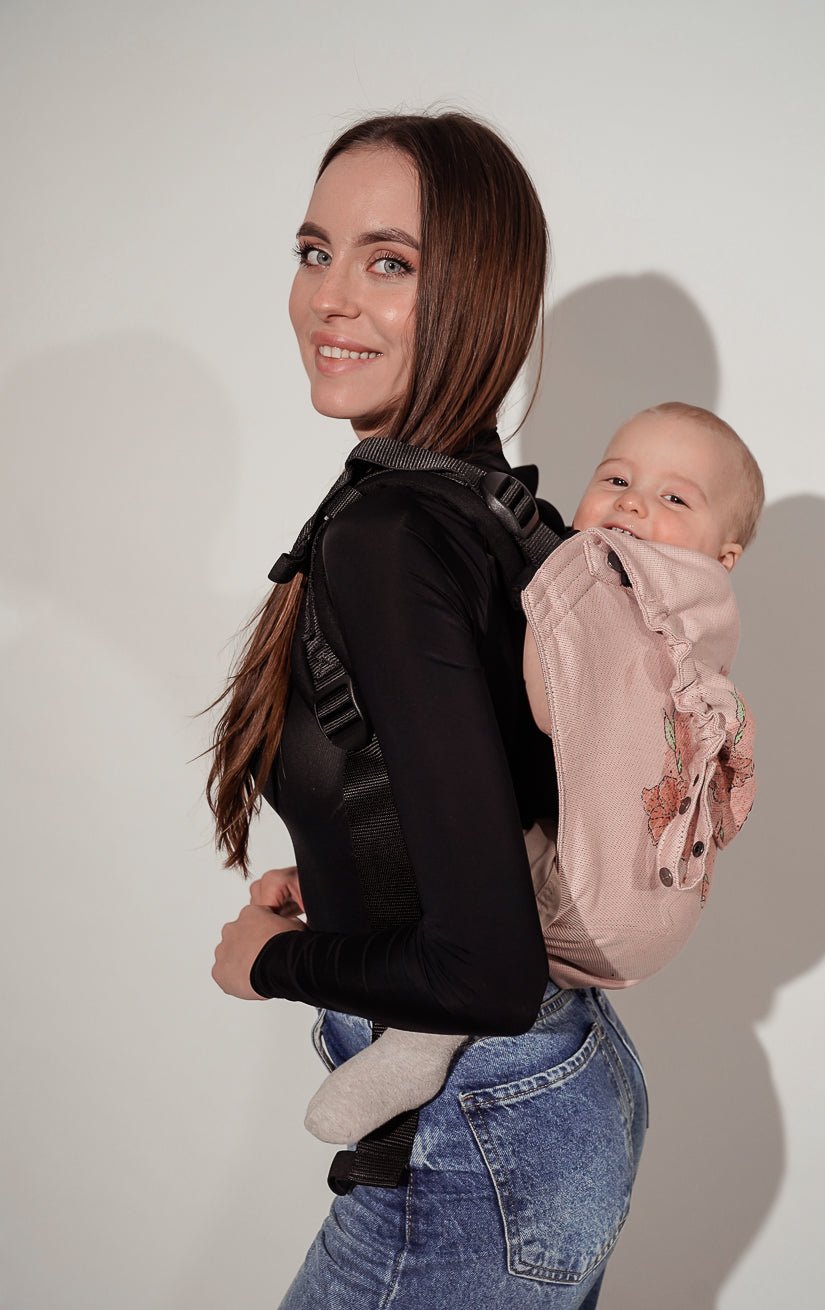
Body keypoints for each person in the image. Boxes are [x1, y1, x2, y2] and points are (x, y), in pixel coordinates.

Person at [210, 111, 647, 1310]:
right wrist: (351, 876)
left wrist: (271, 961)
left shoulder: (389, 533)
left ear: (478, 295)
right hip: (547, 1094)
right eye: (315, 252)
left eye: (389, 262)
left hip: (473, 1136)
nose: (331, 298)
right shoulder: (496, 509)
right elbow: (476, 805)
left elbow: (486, 968)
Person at [300, 400, 765, 1146]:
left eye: (674, 499)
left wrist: (550, 592)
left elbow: (552, 705)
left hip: (575, 914)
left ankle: (421, 1045)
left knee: (473, 873)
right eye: (616, 479)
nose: (632, 504)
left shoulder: (609, 583)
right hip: (646, 907)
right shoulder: (703, 611)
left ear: (724, 554)